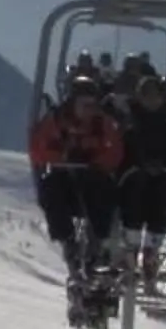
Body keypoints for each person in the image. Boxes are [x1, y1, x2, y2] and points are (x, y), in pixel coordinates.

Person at [29, 75, 124, 283]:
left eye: (91, 104)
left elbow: (115, 150)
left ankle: (97, 242)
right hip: (65, 179)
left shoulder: (102, 123)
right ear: (73, 102)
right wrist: (59, 157)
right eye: (84, 104)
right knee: (51, 189)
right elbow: (38, 149)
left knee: (104, 191)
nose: (88, 110)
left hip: (92, 178)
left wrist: (98, 163)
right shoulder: (56, 121)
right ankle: (68, 241)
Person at [116, 72, 166, 277]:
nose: (152, 100)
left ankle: (151, 250)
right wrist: (140, 164)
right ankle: (131, 247)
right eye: (147, 95)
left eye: (155, 95)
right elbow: (125, 147)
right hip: (133, 175)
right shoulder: (131, 121)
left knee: (160, 198)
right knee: (135, 193)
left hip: (161, 176)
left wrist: (164, 165)